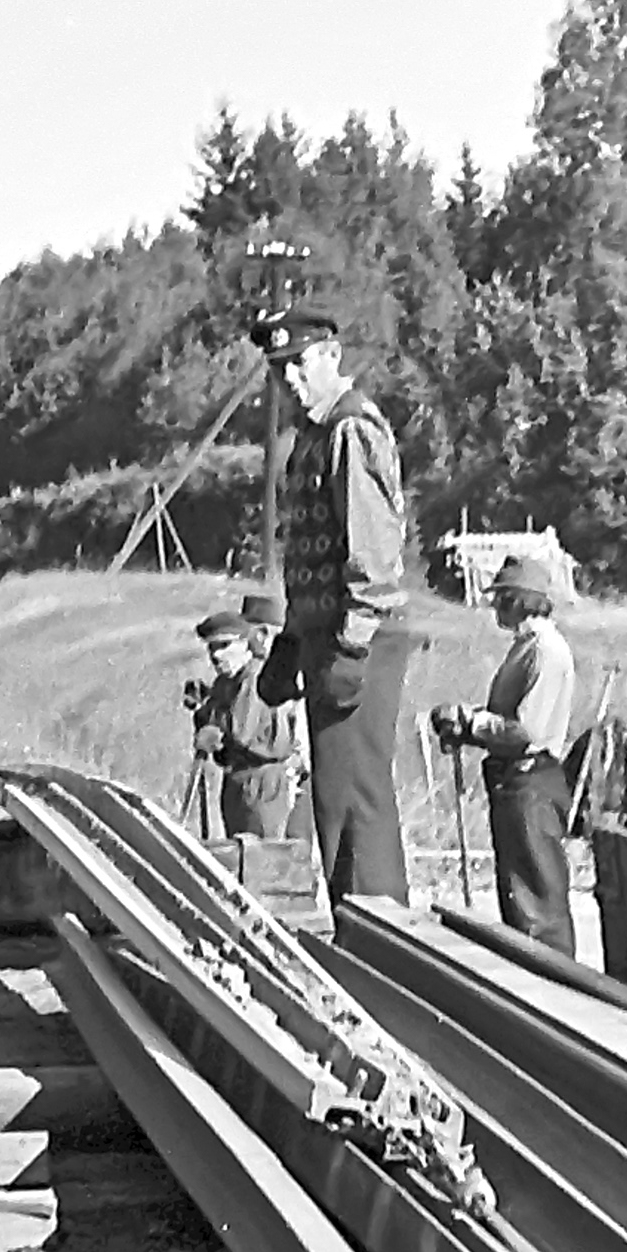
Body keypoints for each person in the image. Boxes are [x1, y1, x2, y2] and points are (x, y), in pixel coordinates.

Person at [255, 313, 417, 898]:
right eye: (279, 370)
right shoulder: (312, 437)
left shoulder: (349, 431)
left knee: (355, 798)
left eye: (300, 362)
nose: (291, 379)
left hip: (361, 636)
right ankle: (362, 921)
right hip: (328, 634)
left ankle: (379, 931)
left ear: (332, 355)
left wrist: (350, 643)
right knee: (334, 795)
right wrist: (294, 639)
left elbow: (372, 553)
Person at [429, 547, 576, 951]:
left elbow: (525, 731)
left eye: (500, 597)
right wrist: (469, 724)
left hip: (533, 782)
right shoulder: (527, 646)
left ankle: (554, 983)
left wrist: (470, 722)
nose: (494, 605)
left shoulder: (544, 650)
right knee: (518, 891)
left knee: (537, 899)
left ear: (516, 599)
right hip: (516, 781)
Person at [185, 600, 300, 840]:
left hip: (264, 783)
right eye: (212, 648)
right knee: (241, 856)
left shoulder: (256, 677)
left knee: (264, 859)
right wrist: (203, 708)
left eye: (225, 645)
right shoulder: (225, 683)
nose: (216, 655)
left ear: (246, 644)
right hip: (237, 780)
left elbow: (242, 733)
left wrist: (212, 726)